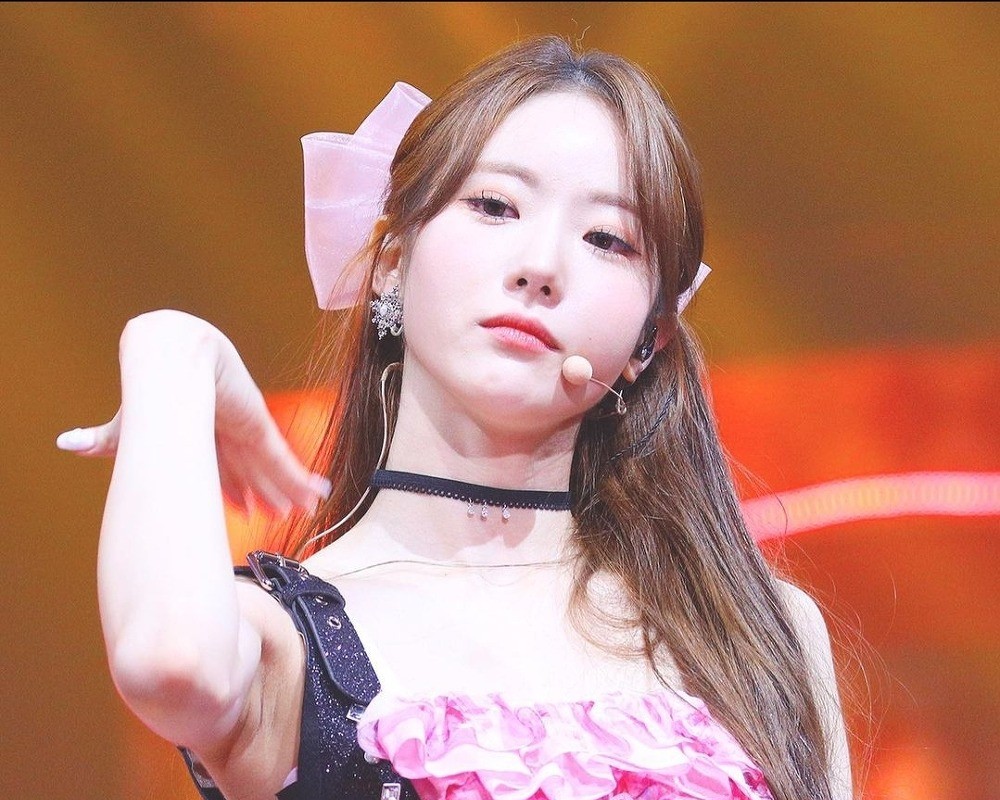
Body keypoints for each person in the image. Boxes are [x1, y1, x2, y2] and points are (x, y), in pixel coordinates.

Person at [59, 35, 853, 800]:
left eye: (606, 239)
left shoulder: (759, 637)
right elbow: (167, 665)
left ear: (650, 339)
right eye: (496, 205)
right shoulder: (282, 642)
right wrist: (172, 348)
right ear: (391, 262)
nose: (541, 266)